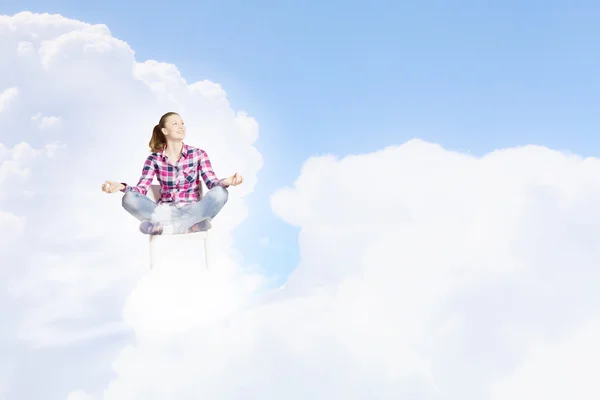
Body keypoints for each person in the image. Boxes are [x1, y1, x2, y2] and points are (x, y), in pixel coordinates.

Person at [101, 111, 243, 235]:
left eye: (182, 123)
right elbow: (142, 189)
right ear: (164, 131)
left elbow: (212, 183)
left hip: (193, 210)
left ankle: (169, 229)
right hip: (165, 213)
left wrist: (226, 182)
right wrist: (122, 186)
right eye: (175, 124)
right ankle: (191, 226)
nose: (181, 126)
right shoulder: (154, 159)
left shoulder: (199, 154)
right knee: (128, 198)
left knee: (221, 193)